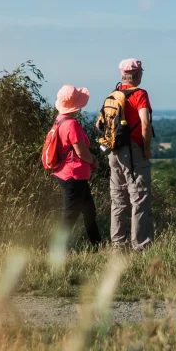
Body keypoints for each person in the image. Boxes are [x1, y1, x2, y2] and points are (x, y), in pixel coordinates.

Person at [106, 59, 154, 251]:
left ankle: (118, 245)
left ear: (122, 75)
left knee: (118, 199)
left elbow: (99, 125)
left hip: (114, 150)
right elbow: (144, 123)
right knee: (139, 198)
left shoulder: (113, 94)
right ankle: (140, 246)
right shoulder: (140, 94)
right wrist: (146, 148)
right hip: (133, 151)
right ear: (138, 75)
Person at [52, 84, 102, 248]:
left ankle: (97, 245)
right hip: (74, 175)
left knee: (88, 211)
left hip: (67, 173)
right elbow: (81, 152)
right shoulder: (71, 124)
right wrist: (93, 161)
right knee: (70, 216)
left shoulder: (59, 120)